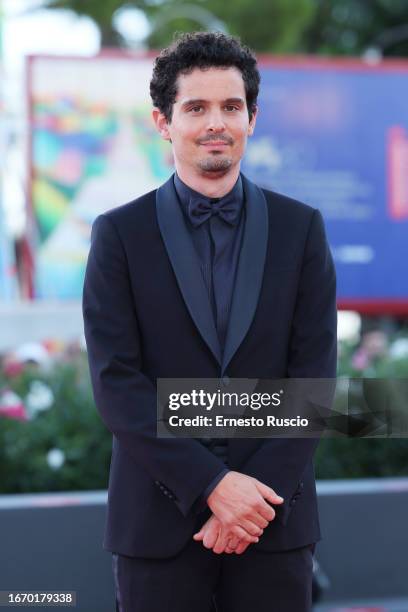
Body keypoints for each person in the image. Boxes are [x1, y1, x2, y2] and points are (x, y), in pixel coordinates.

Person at [82, 31, 337, 612]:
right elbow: (116, 382)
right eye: (196, 107)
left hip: (274, 522)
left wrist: (253, 502)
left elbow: (316, 379)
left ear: (253, 118)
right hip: (157, 525)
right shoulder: (119, 234)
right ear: (163, 122)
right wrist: (213, 487)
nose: (215, 121)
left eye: (231, 106)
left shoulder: (303, 229)